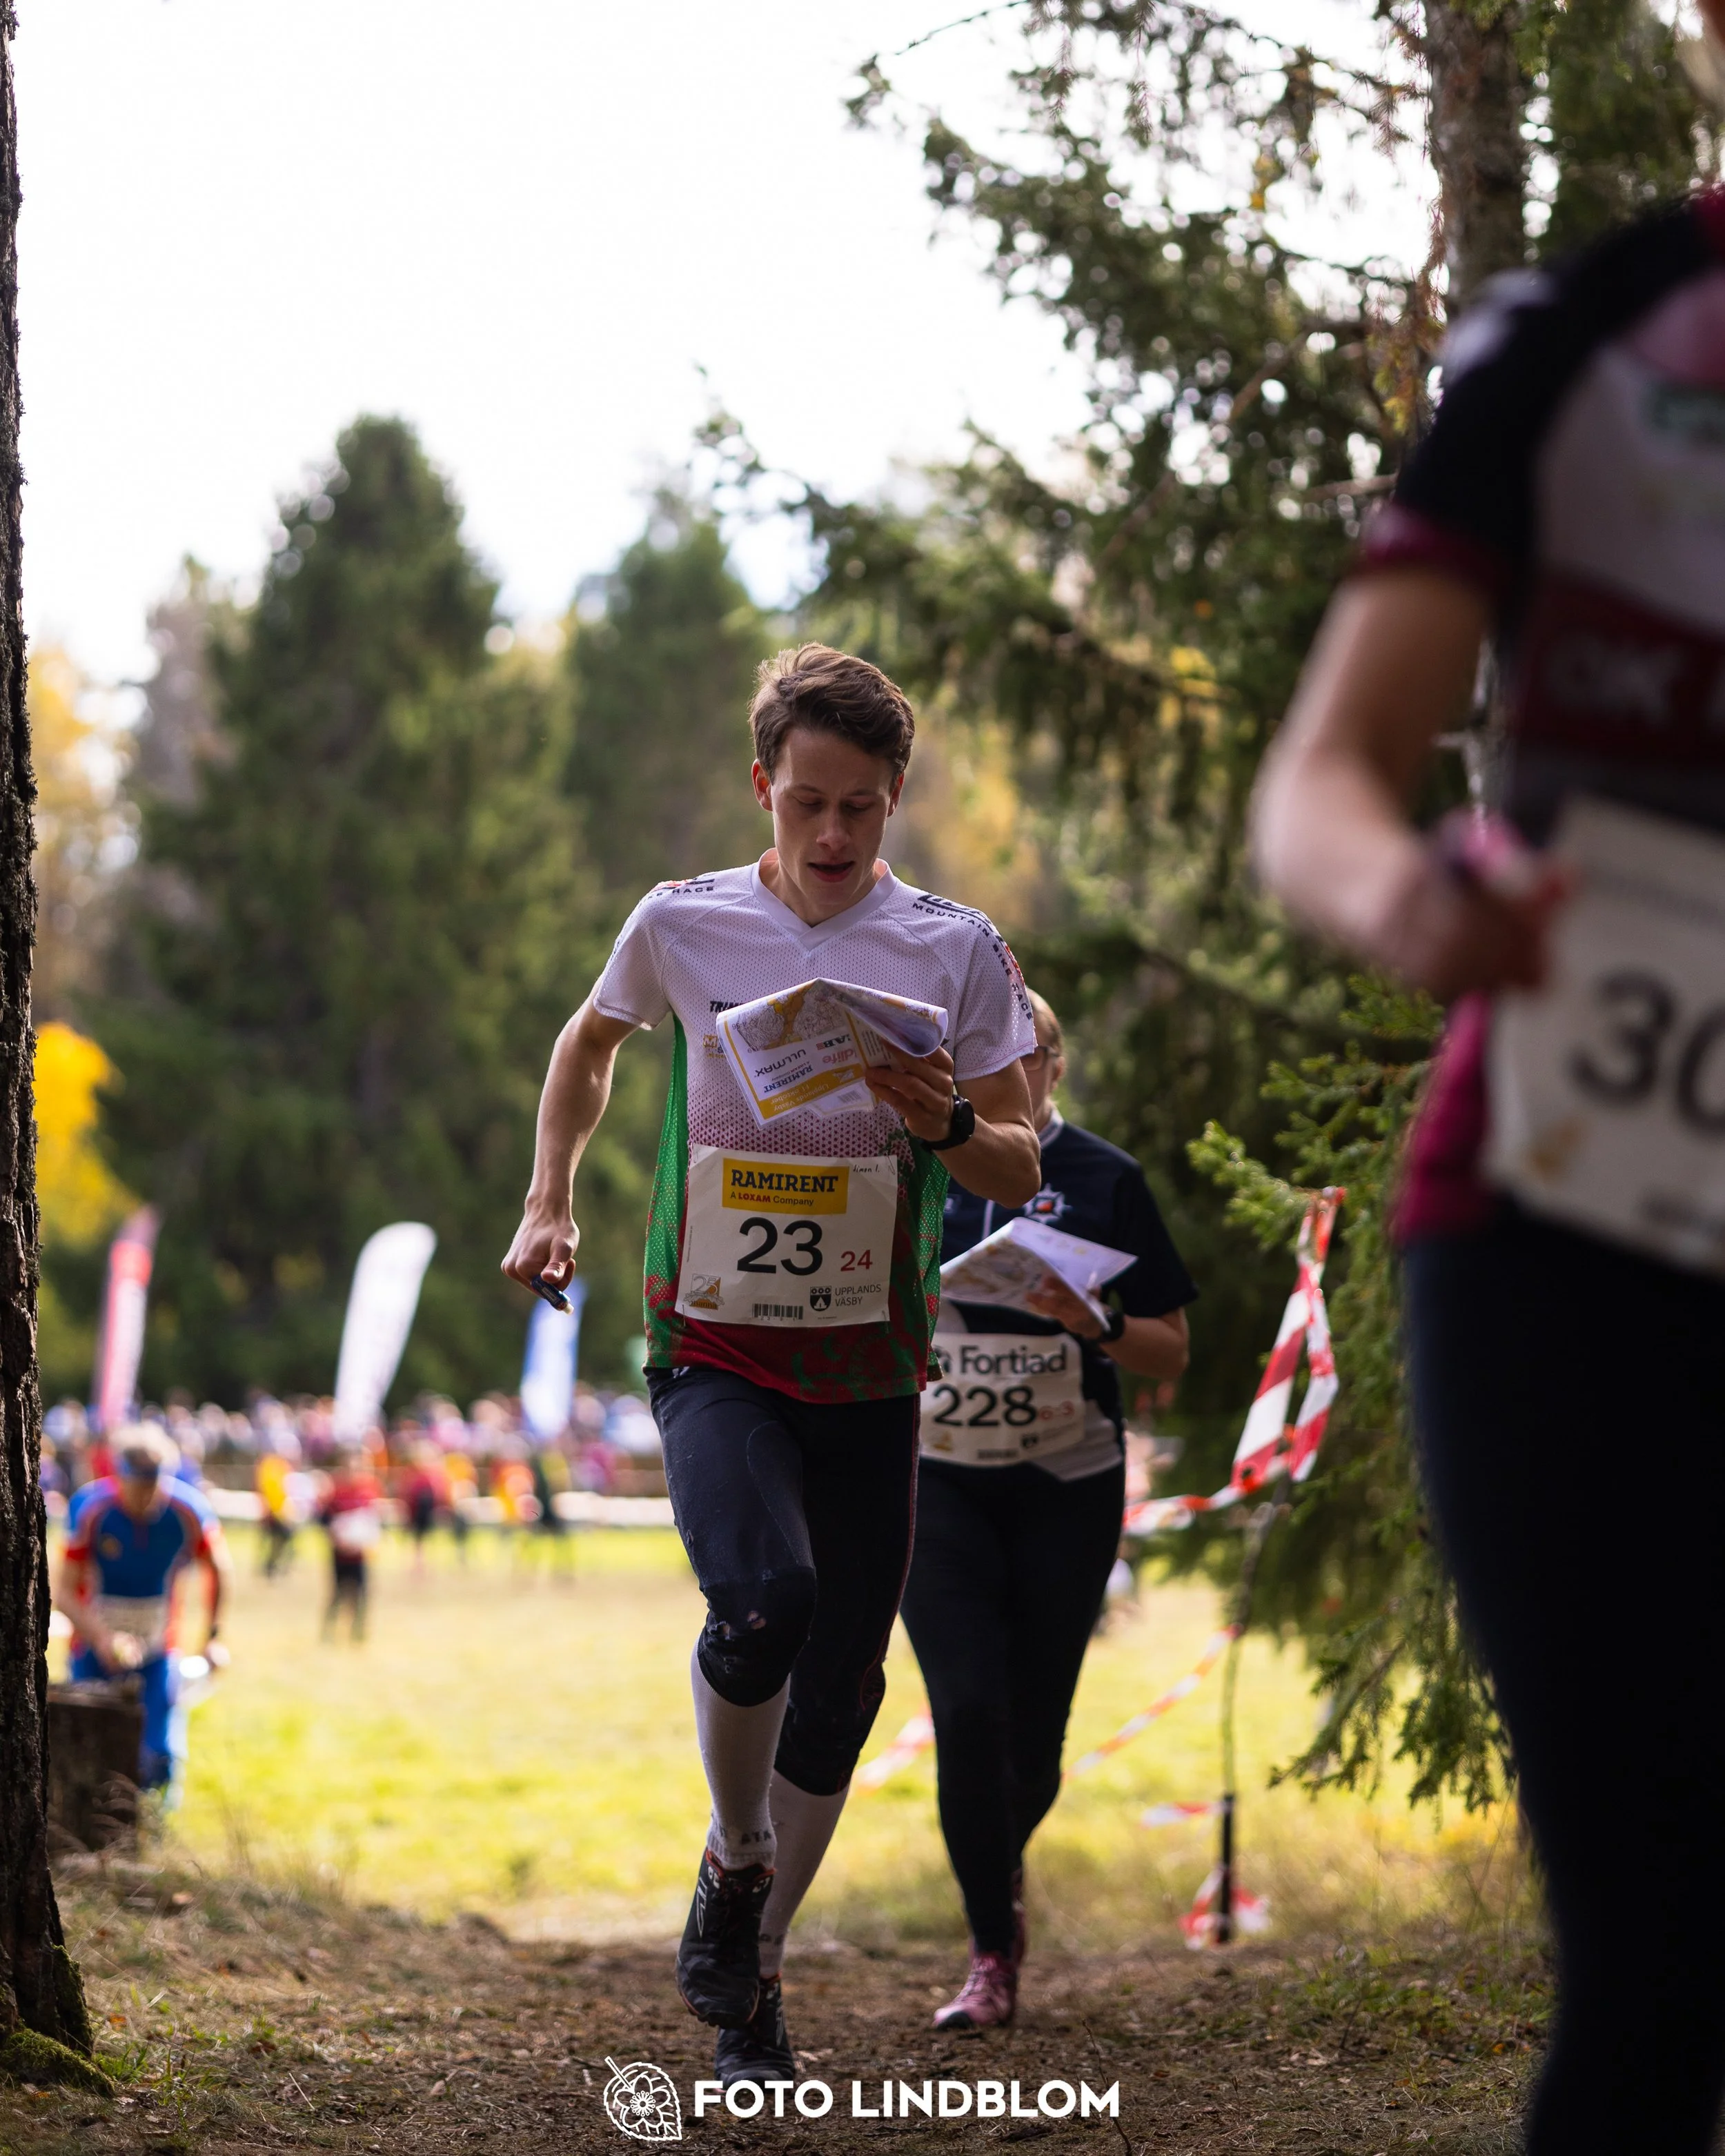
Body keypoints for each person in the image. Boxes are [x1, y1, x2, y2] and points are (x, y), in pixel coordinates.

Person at [1252, 124, 1725, 2156]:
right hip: (1557, 1237)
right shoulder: (1588, 337)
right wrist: (1408, 900)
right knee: (1648, 1973)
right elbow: (1322, 780)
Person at [503, 643, 1041, 2088]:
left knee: (846, 1682)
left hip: (869, 1361)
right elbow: (589, 1037)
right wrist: (550, 1193)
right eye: (806, 800)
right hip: (715, 1341)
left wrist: (937, 1124)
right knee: (763, 1601)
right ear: (762, 785)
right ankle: (736, 1861)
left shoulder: (953, 949)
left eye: (860, 808)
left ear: (894, 800)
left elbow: (1016, 1149)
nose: (830, 835)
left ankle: (755, 1975)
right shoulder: (683, 923)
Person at [900, 989, 1195, 2028]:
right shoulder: (915, 1164)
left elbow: (1169, 1346)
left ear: (1051, 1071)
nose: (991, 1081)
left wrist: (1097, 1317)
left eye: (1012, 1064)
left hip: (1065, 1485)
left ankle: (995, 1880)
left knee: (1033, 1737)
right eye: (972, 1064)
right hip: (937, 1484)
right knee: (966, 1712)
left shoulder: (1104, 1179)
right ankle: (991, 1950)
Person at [55, 1427, 231, 1795]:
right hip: (93, 1647)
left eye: (156, 1484)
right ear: (119, 1475)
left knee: (160, 1752)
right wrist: (103, 1638)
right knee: (89, 1746)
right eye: (139, 1485)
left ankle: (152, 1831)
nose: (148, 1496)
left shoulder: (187, 1510)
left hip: (158, 1649)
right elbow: (64, 1591)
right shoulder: (91, 1508)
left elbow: (219, 1569)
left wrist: (212, 1636)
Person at [318, 1447, 382, 1642]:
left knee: (362, 1595)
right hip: (340, 1553)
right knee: (337, 1594)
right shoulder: (335, 1490)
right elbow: (324, 1519)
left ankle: (358, 1634)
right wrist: (337, 1535)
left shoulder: (369, 1489)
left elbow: (373, 1519)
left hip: (360, 1554)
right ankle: (328, 1633)